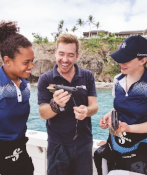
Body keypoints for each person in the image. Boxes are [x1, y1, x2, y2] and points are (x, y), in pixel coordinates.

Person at [38, 33, 99, 175]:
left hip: (84, 143)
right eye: (61, 54)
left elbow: (94, 106)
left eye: (70, 55)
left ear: (77, 56)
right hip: (57, 145)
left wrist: (87, 111)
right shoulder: (45, 79)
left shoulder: (87, 76)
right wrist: (55, 104)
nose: (65, 60)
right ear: (55, 53)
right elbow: (42, 113)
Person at [98, 35, 147, 174]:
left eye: (126, 59)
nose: (121, 62)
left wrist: (128, 128)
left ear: (142, 60)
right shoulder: (117, 80)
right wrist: (108, 116)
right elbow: (118, 108)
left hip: (143, 148)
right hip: (117, 145)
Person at [0, 21, 34, 175]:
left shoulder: (26, 86)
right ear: (7, 61)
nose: (31, 66)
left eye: (32, 61)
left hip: (20, 158)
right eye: (26, 62)